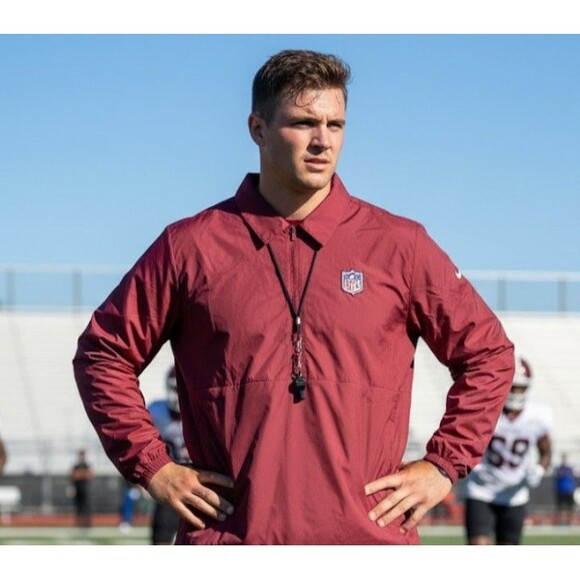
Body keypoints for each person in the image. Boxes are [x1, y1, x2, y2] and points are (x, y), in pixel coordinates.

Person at [73, 49, 515, 545]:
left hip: (368, 545)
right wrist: (153, 465)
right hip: (233, 541)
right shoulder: (191, 246)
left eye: (335, 124)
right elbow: (102, 354)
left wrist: (443, 464)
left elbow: (489, 354)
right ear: (258, 129)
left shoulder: (399, 245)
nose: (323, 140)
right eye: (304, 123)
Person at [463, 354, 553, 544]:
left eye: (521, 388)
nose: (516, 392)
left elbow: (546, 451)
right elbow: (466, 441)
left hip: (515, 494)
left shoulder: (537, 415)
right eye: (513, 386)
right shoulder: (487, 408)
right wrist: (471, 464)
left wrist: (539, 469)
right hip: (481, 489)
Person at [147, 366, 189, 544]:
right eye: (174, 388)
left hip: (199, 478)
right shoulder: (157, 411)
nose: (177, 394)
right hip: (169, 477)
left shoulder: (202, 407)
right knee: (161, 537)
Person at [69, 448, 95, 529]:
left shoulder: (87, 465)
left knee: (87, 506)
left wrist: (80, 475)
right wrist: (82, 474)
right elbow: (73, 476)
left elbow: (90, 475)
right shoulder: (76, 466)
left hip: (85, 488)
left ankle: (87, 523)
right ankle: (79, 523)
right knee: (78, 506)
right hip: (78, 488)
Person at [553, 452, 577, 525]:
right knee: (560, 507)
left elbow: (573, 478)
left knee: (570, 507)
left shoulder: (570, 468)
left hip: (569, 490)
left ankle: (571, 521)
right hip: (561, 491)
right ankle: (559, 521)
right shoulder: (559, 468)